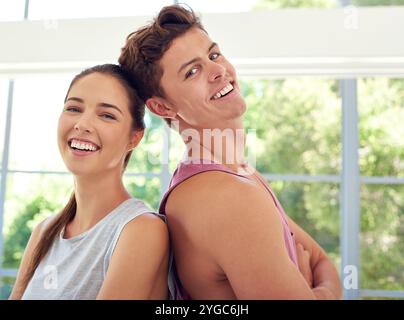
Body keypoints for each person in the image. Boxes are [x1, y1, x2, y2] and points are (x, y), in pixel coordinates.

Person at [119, 5, 342, 300]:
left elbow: (322, 262)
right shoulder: (226, 195)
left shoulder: (240, 175)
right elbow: (323, 274)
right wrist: (318, 290)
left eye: (213, 55)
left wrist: (316, 291)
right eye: (192, 71)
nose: (218, 70)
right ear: (163, 107)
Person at [9, 64, 170, 300]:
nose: (82, 124)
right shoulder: (44, 232)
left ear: (134, 138)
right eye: (74, 108)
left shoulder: (141, 230)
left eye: (107, 115)